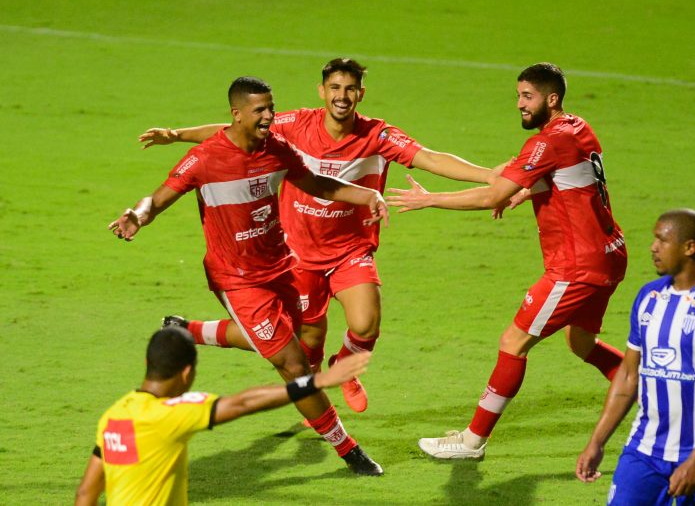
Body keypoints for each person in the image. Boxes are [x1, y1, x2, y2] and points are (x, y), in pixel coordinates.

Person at [139, 58, 495, 413]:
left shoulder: (377, 135)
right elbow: (234, 130)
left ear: (361, 94)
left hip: (349, 249)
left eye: (350, 89)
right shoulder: (294, 125)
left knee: (365, 323)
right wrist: (176, 135)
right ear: (322, 91)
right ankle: (198, 334)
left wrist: (491, 176)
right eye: (335, 88)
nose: (342, 96)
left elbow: (430, 158)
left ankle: (346, 369)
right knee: (299, 341)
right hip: (296, 253)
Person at [108, 76, 385, 475]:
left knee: (295, 337)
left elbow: (315, 183)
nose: (269, 116)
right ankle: (349, 450)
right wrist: (137, 216)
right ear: (236, 115)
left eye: (271, 108)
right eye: (260, 110)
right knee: (293, 365)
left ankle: (190, 330)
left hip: (281, 265)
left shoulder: (276, 149)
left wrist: (366, 194)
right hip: (237, 279)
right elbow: (160, 195)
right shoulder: (205, 158)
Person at [386, 62, 628, 459]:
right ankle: (647, 389)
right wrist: (527, 190)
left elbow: (491, 195)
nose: (519, 104)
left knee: (513, 343)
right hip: (610, 252)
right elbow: (572, 180)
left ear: (552, 99)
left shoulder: (545, 143)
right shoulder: (578, 128)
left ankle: (472, 441)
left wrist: (430, 199)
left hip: (575, 266)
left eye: (527, 96)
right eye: (518, 96)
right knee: (581, 341)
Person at [75, 327, 372, 505]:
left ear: (146, 362)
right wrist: (317, 381)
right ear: (187, 373)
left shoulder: (115, 415)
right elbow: (243, 403)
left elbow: (87, 493)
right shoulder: (171, 415)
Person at [575, 209, 695, 505]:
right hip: (645, 449)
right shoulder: (649, 297)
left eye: (662, 240)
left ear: (689, 247)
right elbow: (628, 376)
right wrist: (597, 441)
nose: (653, 247)